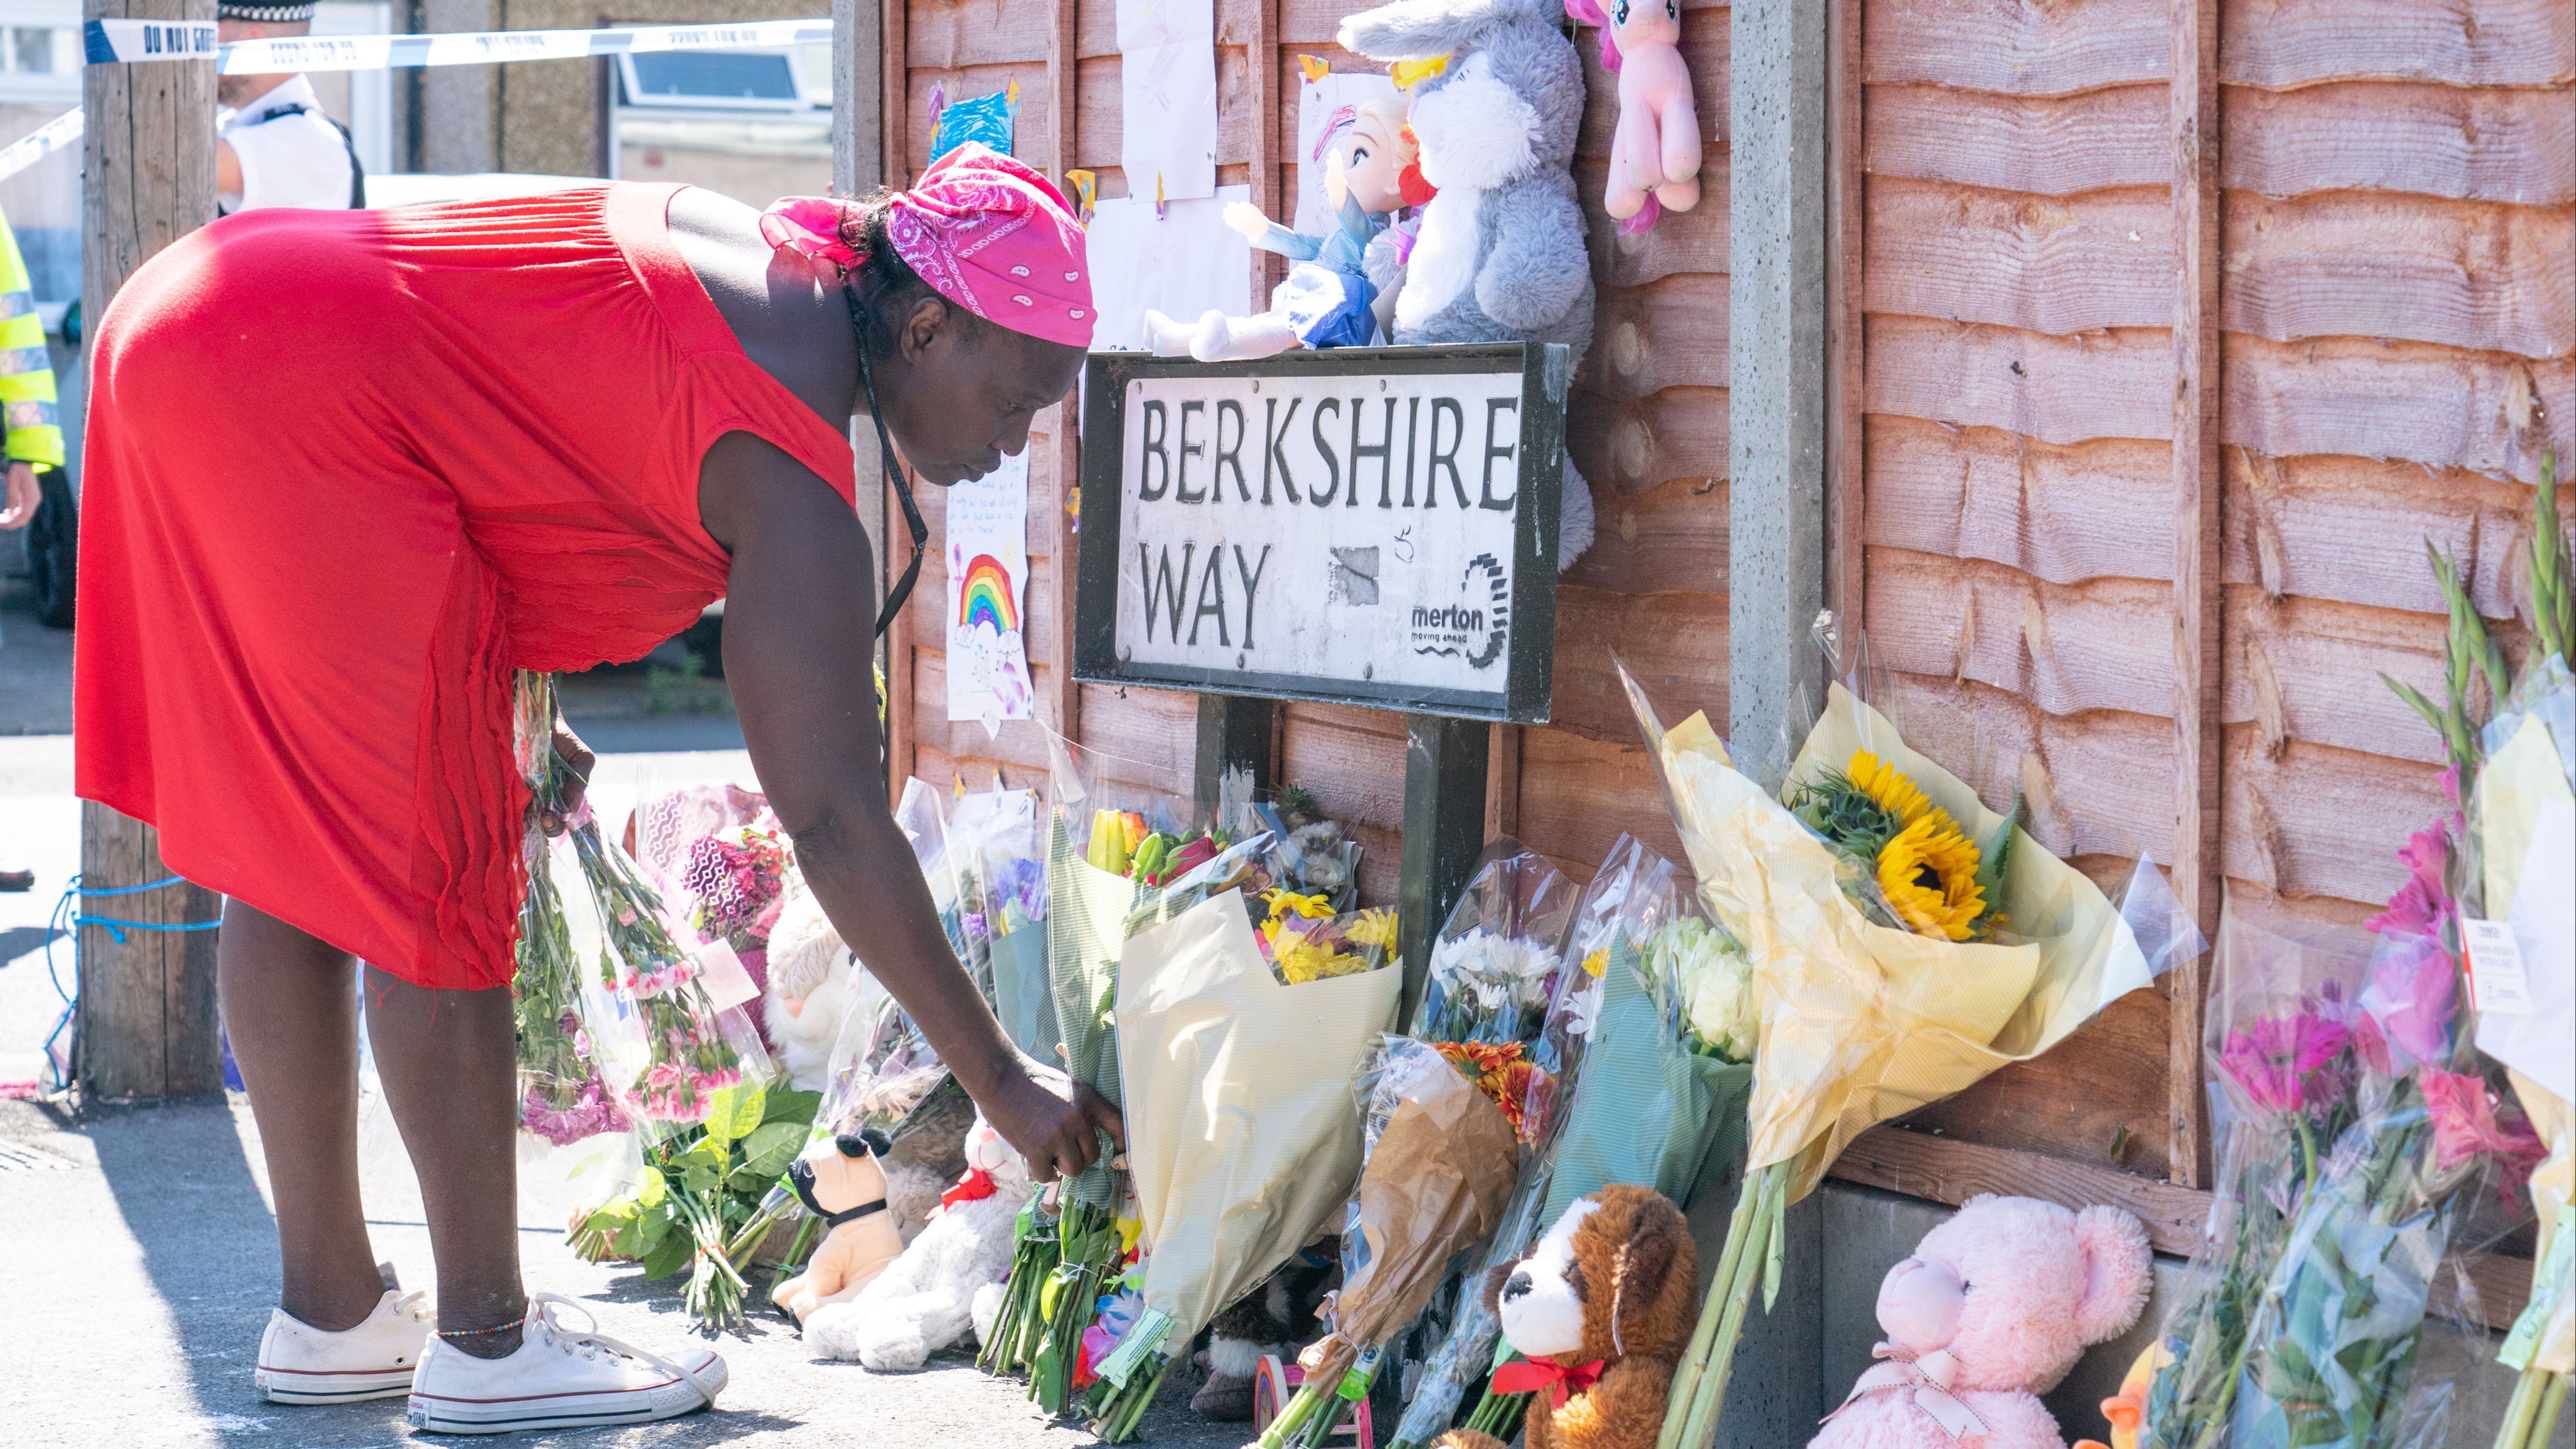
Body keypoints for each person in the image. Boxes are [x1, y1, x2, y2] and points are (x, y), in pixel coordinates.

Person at [75, 144, 1115, 1433]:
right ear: (923, 325)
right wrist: (1007, 1083)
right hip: (299, 387)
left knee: (305, 844)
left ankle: (330, 1311)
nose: (1008, 445)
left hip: (208, 315)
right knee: (428, 862)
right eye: (1012, 405)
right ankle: (488, 1343)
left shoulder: (776, 274)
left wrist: (508, 680)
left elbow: (527, 389)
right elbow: (837, 822)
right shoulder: (791, 483)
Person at [215, 0, 364, 212]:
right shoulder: (234, 125)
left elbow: (182, 162)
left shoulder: (312, 141)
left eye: (211, 36)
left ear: (252, 43)